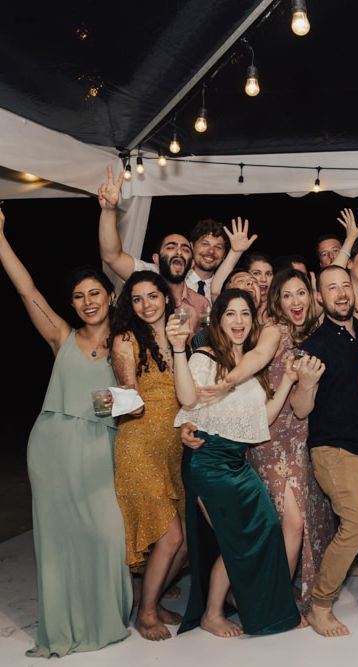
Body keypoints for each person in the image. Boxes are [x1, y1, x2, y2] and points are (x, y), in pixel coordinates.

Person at [0, 208, 132, 657]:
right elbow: (27, 289)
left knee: (105, 532)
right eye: (78, 296)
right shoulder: (61, 335)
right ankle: (64, 624)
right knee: (57, 540)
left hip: (100, 445)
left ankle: (104, 617)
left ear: (110, 297)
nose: (87, 301)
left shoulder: (127, 342)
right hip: (53, 444)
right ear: (72, 304)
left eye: (95, 292)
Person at [168, 289, 301, 637]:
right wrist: (180, 350)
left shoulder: (250, 368)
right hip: (210, 461)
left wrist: (287, 381)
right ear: (218, 319)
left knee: (266, 529)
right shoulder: (206, 357)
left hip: (237, 462)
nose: (239, 321)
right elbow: (185, 397)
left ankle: (259, 606)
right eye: (231, 314)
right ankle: (212, 613)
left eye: (245, 314)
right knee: (235, 538)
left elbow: (260, 421)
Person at [290, 264, 358, 637]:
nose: (341, 293)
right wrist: (306, 384)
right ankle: (320, 604)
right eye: (331, 288)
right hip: (334, 450)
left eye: (345, 286)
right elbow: (300, 409)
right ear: (319, 298)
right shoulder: (315, 345)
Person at [247, 268, 336, 614]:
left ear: (311, 296)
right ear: (277, 301)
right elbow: (253, 362)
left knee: (308, 520)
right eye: (287, 295)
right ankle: (277, 601)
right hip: (269, 437)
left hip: (302, 438)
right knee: (292, 521)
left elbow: (303, 407)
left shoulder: (313, 334)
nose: (294, 301)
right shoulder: (274, 331)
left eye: (300, 293)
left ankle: (291, 594)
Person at [110, 271, 186, 641]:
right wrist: (122, 399)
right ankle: (147, 613)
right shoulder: (126, 339)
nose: (146, 305)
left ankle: (147, 599)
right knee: (169, 537)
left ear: (165, 297)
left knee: (185, 542)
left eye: (152, 296)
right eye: (137, 299)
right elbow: (128, 394)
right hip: (138, 446)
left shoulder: (179, 335)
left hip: (173, 450)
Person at [97, 167, 210, 331]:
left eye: (185, 249)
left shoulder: (202, 303)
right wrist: (108, 210)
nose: (179, 251)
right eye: (171, 247)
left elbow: (203, 342)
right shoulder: (144, 275)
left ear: (192, 263)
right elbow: (111, 256)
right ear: (156, 259)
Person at [187, 218, 230, 300]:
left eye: (218, 247)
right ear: (191, 247)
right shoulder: (172, 282)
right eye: (205, 244)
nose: (211, 251)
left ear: (224, 255)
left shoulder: (226, 291)